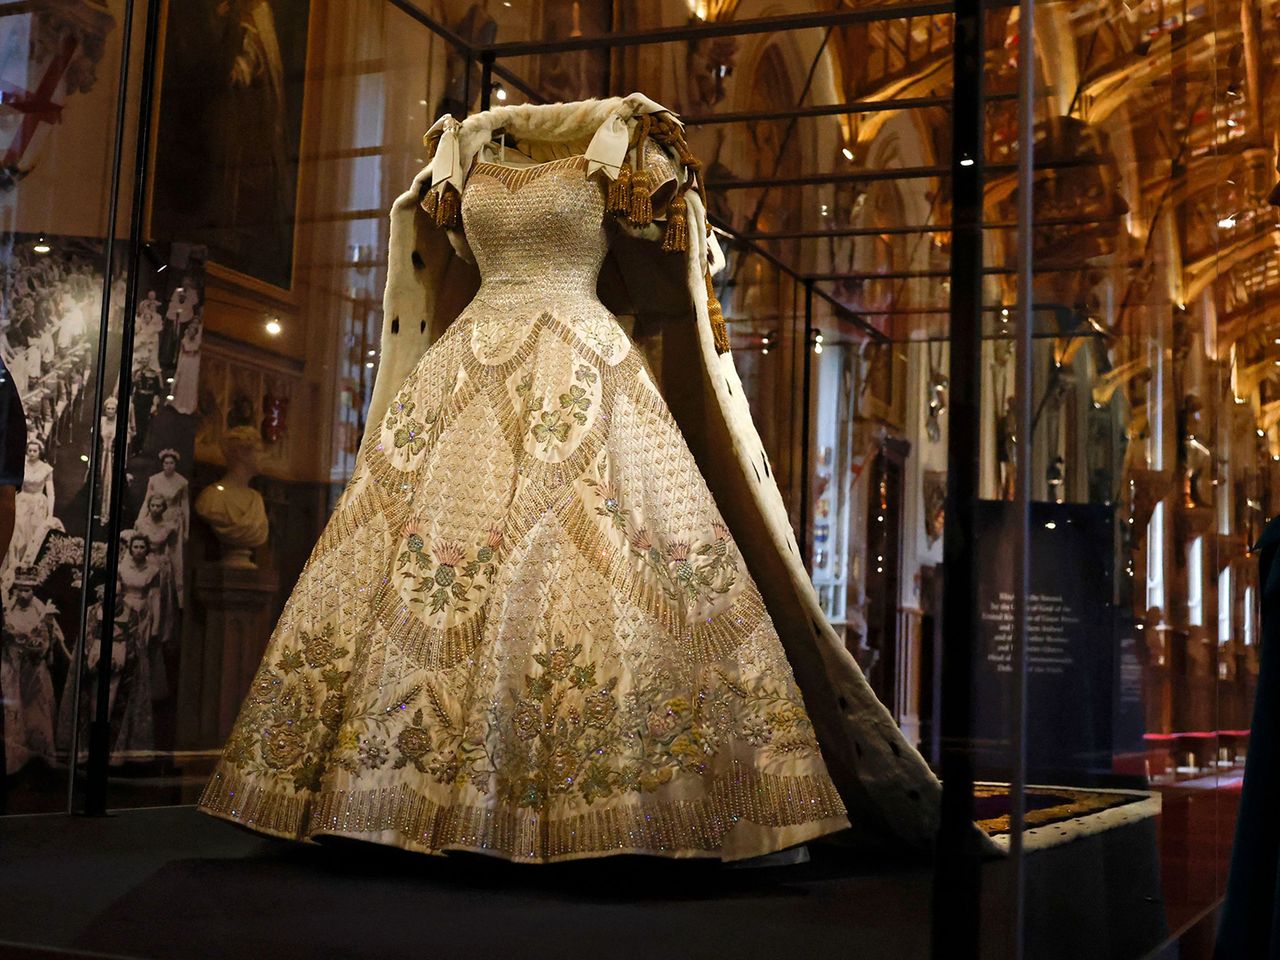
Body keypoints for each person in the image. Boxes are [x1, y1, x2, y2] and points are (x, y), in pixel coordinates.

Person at [199, 96, 941, 863]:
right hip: (469, 368)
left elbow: (664, 270)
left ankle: (618, 809)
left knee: (587, 565)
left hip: (584, 365)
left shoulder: (628, 148)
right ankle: (390, 797)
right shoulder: (461, 154)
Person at [1, 565, 62, 773]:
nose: (23, 594)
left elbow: (48, 638)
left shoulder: (41, 609)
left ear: (33, 590)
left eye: (27, 590)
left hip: (34, 667)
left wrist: (38, 647)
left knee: (36, 708)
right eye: (20, 590)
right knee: (15, 707)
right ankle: (16, 756)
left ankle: (40, 756)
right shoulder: (8, 610)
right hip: (13, 667)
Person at [139, 450, 190, 544]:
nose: (168, 466)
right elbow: (146, 501)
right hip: (156, 516)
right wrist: (140, 519)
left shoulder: (182, 482)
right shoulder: (154, 480)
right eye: (166, 463)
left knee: (171, 547)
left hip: (173, 519)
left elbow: (185, 505)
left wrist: (186, 530)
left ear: (175, 464)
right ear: (162, 464)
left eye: (171, 463)